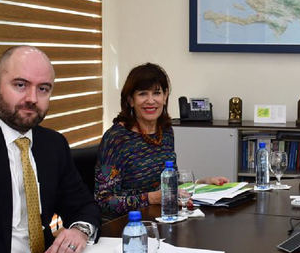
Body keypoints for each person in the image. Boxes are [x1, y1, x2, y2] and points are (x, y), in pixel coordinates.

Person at [0, 46, 100, 253]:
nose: (32, 98)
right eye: (20, 85)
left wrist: (79, 231)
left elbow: (84, 205)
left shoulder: (53, 144)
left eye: (43, 89)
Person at [94, 63, 228, 219]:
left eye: (156, 93)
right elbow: (103, 201)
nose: (151, 101)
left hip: (160, 218)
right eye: (143, 94)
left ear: (165, 96)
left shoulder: (165, 131)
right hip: (124, 225)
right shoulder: (117, 138)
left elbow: (168, 184)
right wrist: (151, 198)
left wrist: (202, 184)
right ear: (131, 100)